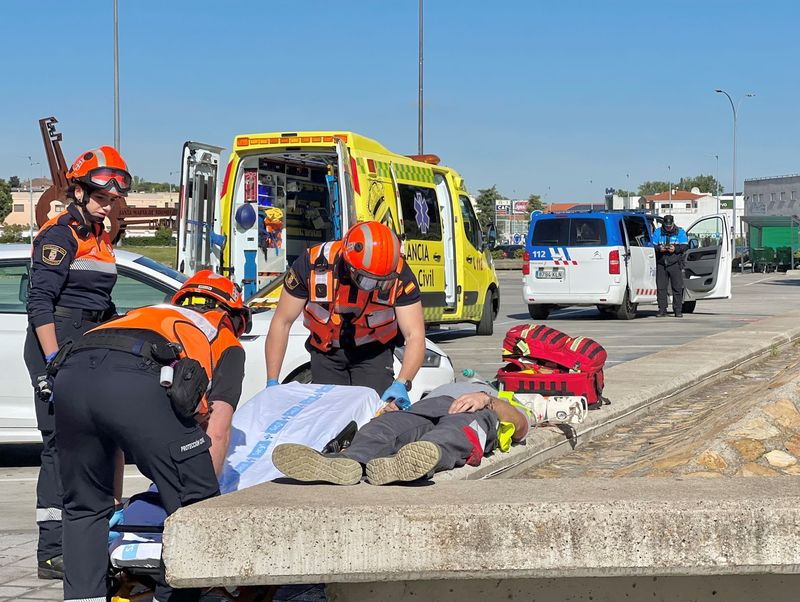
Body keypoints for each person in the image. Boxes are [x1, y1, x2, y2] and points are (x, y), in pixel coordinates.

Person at [53, 271, 250, 602]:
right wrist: (200, 488)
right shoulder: (224, 337)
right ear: (232, 314)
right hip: (139, 376)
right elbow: (217, 426)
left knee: (85, 507)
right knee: (195, 509)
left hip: (71, 373)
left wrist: (113, 500)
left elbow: (108, 433)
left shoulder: (148, 314)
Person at [23, 145, 131, 579]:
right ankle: (53, 550)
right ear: (81, 191)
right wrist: (51, 364)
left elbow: (99, 301)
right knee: (59, 446)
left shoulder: (99, 237)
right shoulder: (60, 233)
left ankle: (95, 534)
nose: (109, 206)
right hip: (57, 341)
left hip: (87, 343)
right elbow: (40, 303)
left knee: (96, 441)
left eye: (113, 199)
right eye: (102, 198)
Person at [265, 221, 426, 410]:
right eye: (366, 280)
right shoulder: (312, 264)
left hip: (373, 353)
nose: (373, 286)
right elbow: (282, 322)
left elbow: (415, 335)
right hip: (326, 352)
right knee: (329, 417)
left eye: (381, 282)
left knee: (373, 417)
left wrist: (402, 383)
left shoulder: (399, 274)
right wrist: (272, 382)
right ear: (349, 265)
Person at [271, 382, 530, 485]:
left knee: (455, 432)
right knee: (383, 426)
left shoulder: (498, 396)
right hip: (429, 403)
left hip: (477, 412)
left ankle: (415, 461)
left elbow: (521, 426)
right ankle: (347, 462)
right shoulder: (447, 385)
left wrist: (486, 398)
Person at [652, 214, 689, 318]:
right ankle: (662, 309)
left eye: (670, 226)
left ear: (673, 223)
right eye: (666, 226)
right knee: (661, 288)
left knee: (677, 287)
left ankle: (678, 310)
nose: (668, 228)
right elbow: (652, 245)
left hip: (675, 263)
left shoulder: (680, 232)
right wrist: (660, 248)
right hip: (661, 262)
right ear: (664, 224)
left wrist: (675, 249)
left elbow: (685, 246)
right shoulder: (658, 232)